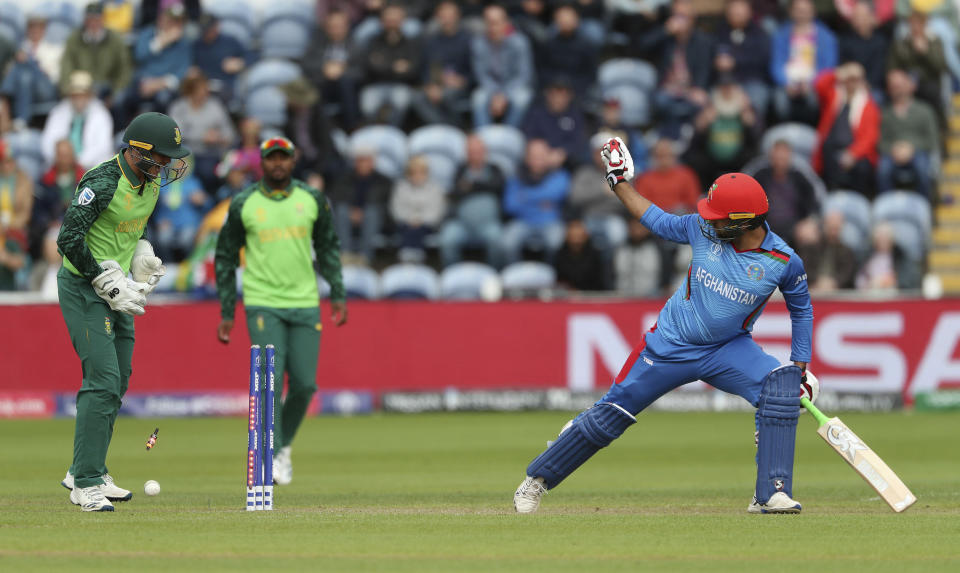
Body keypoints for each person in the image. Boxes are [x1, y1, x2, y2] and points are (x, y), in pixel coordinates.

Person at [514, 137, 813, 515]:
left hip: (728, 348)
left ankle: (770, 494)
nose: (708, 220)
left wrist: (799, 365)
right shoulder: (702, 229)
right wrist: (618, 182)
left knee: (781, 388)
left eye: (718, 217)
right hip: (669, 345)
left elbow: (801, 310)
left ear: (744, 222)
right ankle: (536, 481)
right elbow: (653, 217)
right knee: (610, 417)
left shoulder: (783, 260)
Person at [56, 112, 191, 511]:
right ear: (136, 151)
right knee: (103, 379)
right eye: (161, 157)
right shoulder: (102, 181)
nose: (167, 165)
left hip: (119, 290)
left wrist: (143, 252)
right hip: (85, 287)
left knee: (120, 379)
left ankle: (87, 468)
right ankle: (85, 484)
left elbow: (132, 226)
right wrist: (102, 277)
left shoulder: (148, 182)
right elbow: (68, 238)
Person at [214, 137, 347, 486]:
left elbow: (329, 246)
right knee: (269, 382)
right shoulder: (244, 202)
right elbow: (225, 256)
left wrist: (338, 293)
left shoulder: (312, 199)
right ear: (261, 162)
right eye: (271, 158)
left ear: (292, 161)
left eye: (283, 158)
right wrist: (228, 310)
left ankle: (283, 446)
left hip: (305, 301)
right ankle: (270, 457)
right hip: (262, 301)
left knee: (304, 385)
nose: (277, 164)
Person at [877, 69, 939, 198]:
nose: (897, 90)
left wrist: (911, 148)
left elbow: (932, 140)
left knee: (923, 170)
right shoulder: (885, 113)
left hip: (918, 152)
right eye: (893, 86)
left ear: (910, 86)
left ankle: (923, 206)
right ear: (888, 89)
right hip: (892, 153)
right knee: (882, 171)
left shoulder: (924, 110)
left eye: (900, 85)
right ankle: (887, 207)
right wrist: (894, 149)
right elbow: (880, 141)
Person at [60, 2, 133, 105]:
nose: (93, 24)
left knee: (120, 100)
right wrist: (69, 91)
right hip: (82, 89)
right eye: (90, 20)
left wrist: (115, 94)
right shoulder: (74, 39)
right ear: (85, 21)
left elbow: (124, 70)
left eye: (97, 20)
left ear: (103, 20)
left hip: (108, 88)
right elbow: (66, 67)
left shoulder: (115, 39)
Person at [41, 71, 115, 170]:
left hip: (92, 169)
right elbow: (47, 142)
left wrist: (76, 163)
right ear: (70, 95)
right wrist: (62, 160)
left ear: (90, 95)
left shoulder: (102, 114)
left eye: (83, 95)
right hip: (61, 167)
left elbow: (103, 147)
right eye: (75, 95)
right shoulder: (58, 112)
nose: (79, 99)